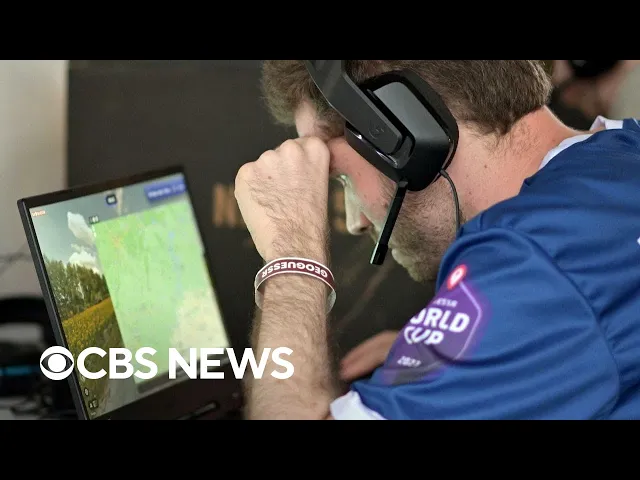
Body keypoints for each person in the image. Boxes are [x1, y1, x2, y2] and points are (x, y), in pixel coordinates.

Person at [233, 60, 640, 420]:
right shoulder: (624, 152)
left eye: (340, 178)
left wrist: (291, 251)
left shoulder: (536, 266)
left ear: (405, 132)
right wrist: (468, 361)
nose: (356, 221)